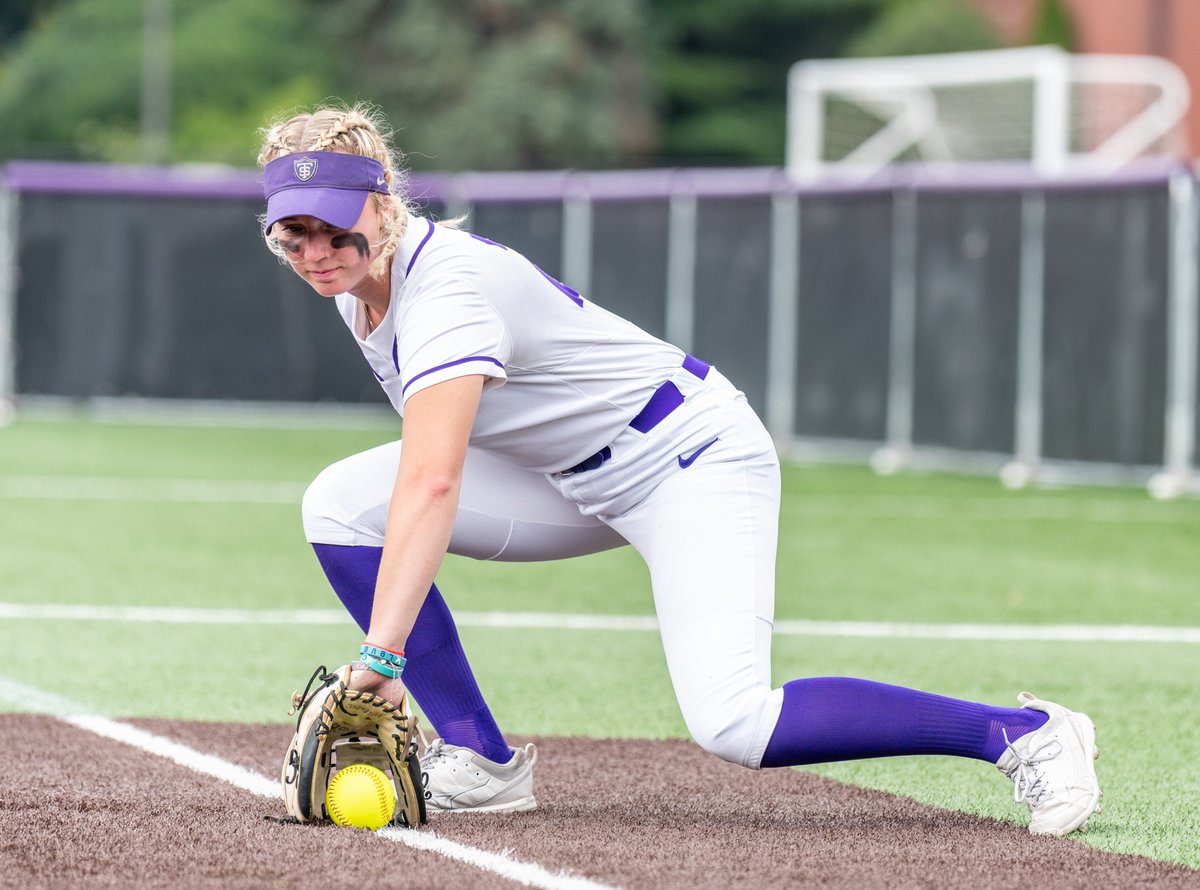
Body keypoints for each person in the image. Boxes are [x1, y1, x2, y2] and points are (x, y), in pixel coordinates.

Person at [255, 102, 1101, 834]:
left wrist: (384, 657)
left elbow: (433, 481)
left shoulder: (442, 293)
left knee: (736, 721)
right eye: (294, 232)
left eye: (336, 225)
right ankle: (483, 764)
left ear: (385, 203)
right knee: (339, 504)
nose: (318, 248)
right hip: (573, 476)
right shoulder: (353, 283)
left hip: (689, 461)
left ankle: (1018, 733)